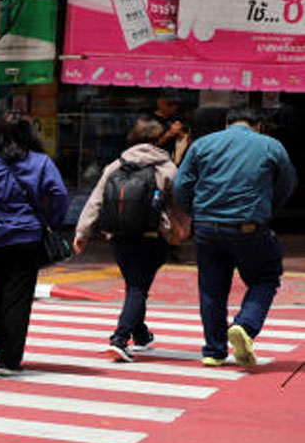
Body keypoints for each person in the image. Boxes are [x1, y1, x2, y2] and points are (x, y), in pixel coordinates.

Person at [173, 107, 297, 367]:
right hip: (249, 226)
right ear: (259, 125)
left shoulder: (202, 144)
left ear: (227, 124)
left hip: (206, 227)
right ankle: (245, 325)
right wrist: (266, 208)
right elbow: (287, 185)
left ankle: (214, 351)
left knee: (211, 289)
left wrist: (194, 212)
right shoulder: (271, 146)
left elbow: (180, 184)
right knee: (265, 277)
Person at [72, 116, 191, 362]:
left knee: (134, 285)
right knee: (138, 288)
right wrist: (181, 230)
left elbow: (96, 200)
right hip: (151, 236)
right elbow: (179, 204)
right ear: (159, 140)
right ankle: (119, 338)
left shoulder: (115, 165)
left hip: (118, 237)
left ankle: (141, 334)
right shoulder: (167, 168)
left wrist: (82, 233)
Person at [0, 113, 69, 374]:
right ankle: (10, 357)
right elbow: (59, 193)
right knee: (19, 297)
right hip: (28, 235)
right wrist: (52, 221)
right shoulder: (41, 162)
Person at [152, 95, 192, 165]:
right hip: (154, 161)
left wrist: (182, 135)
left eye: (176, 105)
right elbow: (146, 147)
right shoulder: (149, 121)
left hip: (174, 162)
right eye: (170, 104)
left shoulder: (179, 120)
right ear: (160, 103)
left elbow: (189, 145)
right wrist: (168, 134)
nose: (174, 107)